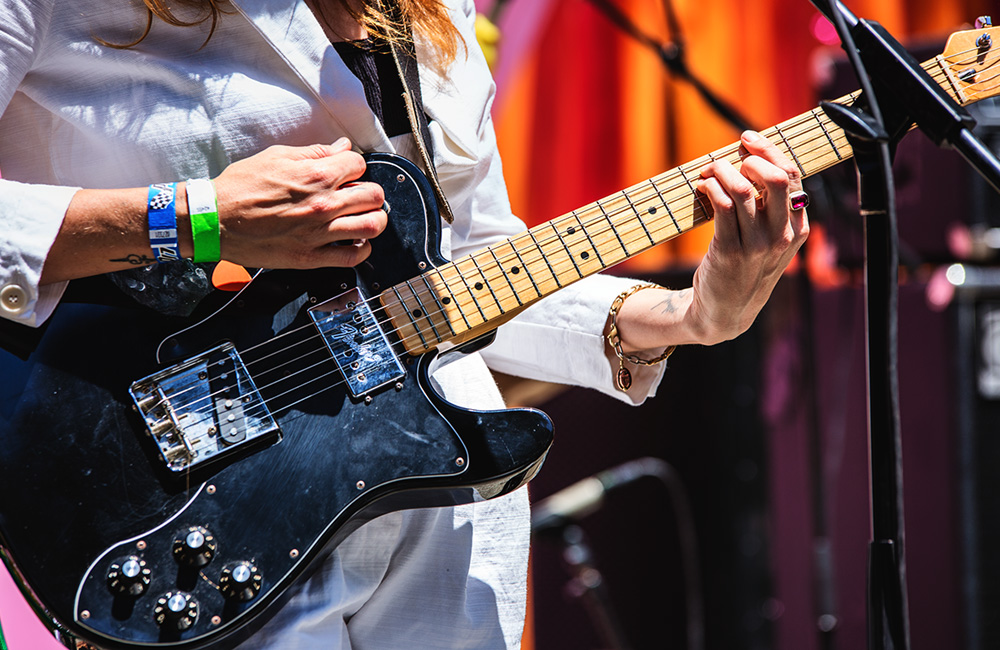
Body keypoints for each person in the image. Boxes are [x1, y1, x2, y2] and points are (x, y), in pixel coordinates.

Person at [0, 0, 808, 648]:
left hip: (438, 491)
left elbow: (464, 265)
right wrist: (200, 219)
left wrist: (691, 315)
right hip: (189, 491)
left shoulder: (433, 11)